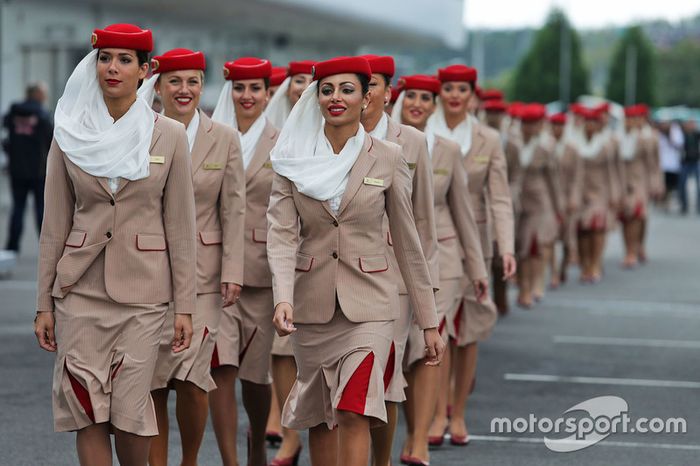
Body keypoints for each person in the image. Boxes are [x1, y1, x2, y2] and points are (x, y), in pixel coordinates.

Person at [266, 55, 444, 466]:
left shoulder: (388, 156)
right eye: (327, 90)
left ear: (367, 98)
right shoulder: (291, 157)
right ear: (316, 98)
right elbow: (281, 233)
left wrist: (429, 321)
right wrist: (283, 296)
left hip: (372, 307)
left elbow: (407, 241)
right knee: (321, 416)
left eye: (347, 90)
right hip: (311, 306)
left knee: (353, 408)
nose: (336, 98)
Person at [33, 23, 197, 466]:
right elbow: (55, 224)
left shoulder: (170, 136)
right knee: (87, 412)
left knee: (129, 414)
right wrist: (44, 303)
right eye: (105, 58)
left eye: (125, 60)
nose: (113, 68)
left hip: (144, 296)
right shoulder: (68, 133)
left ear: (145, 71)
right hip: (79, 292)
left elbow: (180, 226)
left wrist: (185, 306)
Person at [142, 48, 246, 466]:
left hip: (205, 278)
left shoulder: (224, 137)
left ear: (203, 86)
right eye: (175, 81)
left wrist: (233, 270)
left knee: (191, 378)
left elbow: (234, 209)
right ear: (159, 85)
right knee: (152, 382)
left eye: (193, 82)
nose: (184, 90)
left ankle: (188, 459)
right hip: (149, 271)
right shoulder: (139, 132)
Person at [390, 74, 488, 465]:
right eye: (410, 96)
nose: (417, 103)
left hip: (439, 262)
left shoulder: (446, 150)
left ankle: (421, 437)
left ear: (435, 105)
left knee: (427, 345)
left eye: (425, 98)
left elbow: (464, 214)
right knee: (397, 350)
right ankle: (410, 424)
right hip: (387, 259)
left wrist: (477, 269)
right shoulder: (379, 140)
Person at [425, 64, 516, 447]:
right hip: (435, 244)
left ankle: (458, 411)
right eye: (448, 88)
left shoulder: (488, 139)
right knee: (440, 326)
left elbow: (499, 197)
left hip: (475, 244)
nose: (455, 95)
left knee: (470, 330)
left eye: (462, 89)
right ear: (440, 92)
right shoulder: (422, 134)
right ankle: (435, 411)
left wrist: (506, 248)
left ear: (473, 94)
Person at [358, 55, 439, 466]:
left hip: (396, 281)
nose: (365, 93)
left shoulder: (412, 142)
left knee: (384, 376)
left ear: (389, 93)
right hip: (337, 275)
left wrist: (429, 294)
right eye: (359, 84)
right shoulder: (324, 137)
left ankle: (381, 460)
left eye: (372, 85)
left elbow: (423, 221)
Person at [208, 56, 279, 466]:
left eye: (255, 88)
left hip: (262, 273)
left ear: (269, 94)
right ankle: (230, 460)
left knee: (255, 377)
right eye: (239, 88)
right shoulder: (212, 136)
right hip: (216, 270)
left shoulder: (285, 141)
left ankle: (256, 441)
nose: (246, 96)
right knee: (221, 368)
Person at [263, 58, 316, 465]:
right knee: (282, 350)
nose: (304, 89)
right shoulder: (273, 132)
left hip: (331, 262)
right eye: (297, 81)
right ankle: (289, 431)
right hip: (280, 255)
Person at [510, 104, 561, 307]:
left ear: (540, 125)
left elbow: (553, 180)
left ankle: (532, 287)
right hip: (516, 202)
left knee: (535, 243)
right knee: (519, 246)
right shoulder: (512, 145)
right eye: (526, 124)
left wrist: (558, 209)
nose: (529, 128)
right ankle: (524, 286)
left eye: (534, 124)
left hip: (540, 203)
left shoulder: (546, 148)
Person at [2, 82, 53, 253]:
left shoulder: (13, 113)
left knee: (18, 208)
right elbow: (51, 140)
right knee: (41, 209)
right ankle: (45, 247)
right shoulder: (42, 115)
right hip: (38, 170)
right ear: (38, 94)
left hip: (17, 169)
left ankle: (12, 247)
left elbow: (6, 135)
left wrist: (11, 154)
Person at [483, 98, 520, 315]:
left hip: (503, 201)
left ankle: (501, 298)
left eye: (497, 113)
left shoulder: (510, 144)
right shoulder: (477, 137)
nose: (494, 117)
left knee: (501, 253)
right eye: (490, 112)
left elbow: (516, 175)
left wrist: (512, 195)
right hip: (480, 201)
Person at [575, 107, 618, 283]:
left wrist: (615, 193)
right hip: (579, 191)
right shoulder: (574, 144)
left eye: (594, 122)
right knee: (582, 230)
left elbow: (612, 171)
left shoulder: (606, 145)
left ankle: (595, 263)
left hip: (600, 191)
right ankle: (584, 264)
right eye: (587, 122)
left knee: (597, 227)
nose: (590, 125)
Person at [549, 112, 582, 284]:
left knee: (568, 238)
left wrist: (574, 197)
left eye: (560, 126)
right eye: (553, 126)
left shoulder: (573, 149)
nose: (556, 129)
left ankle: (563, 268)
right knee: (550, 238)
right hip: (549, 200)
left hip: (568, 198)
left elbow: (577, 177)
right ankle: (553, 271)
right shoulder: (545, 148)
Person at [679, 117, 700, 215]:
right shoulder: (682, 134)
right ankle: (684, 205)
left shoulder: (696, 134)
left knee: (698, 185)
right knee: (682, 184)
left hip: (695, 161)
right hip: (685, 162)